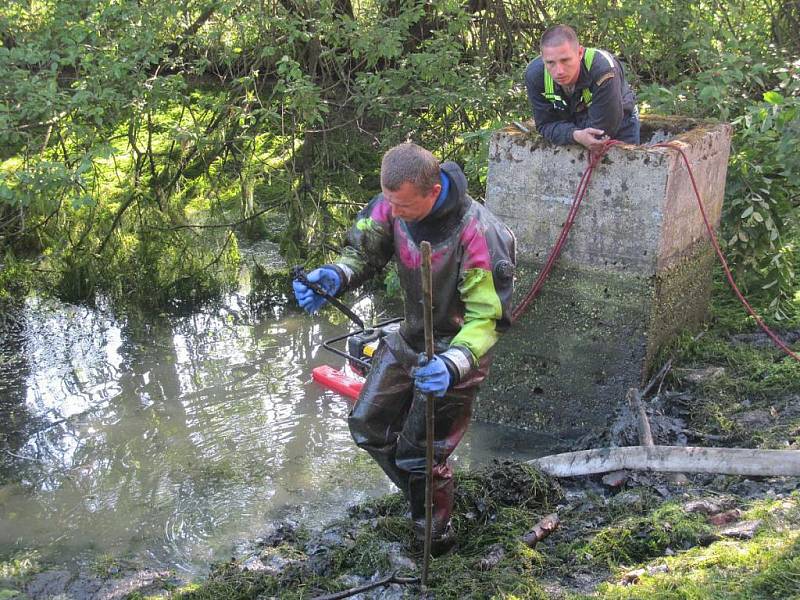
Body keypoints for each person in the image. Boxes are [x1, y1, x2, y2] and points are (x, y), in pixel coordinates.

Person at [293, 142, 515, 555]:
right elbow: (363, 249)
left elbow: (488, 317)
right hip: (409, 338)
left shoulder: (480, 233)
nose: (394, 213)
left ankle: (435, 541)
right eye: (390, 203)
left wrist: (454, 362)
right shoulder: (394, 201)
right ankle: (425, 494)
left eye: (404, 207)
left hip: (457, 352)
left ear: (432, 193)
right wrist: (334, 276)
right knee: (367, 425)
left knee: (420, 454)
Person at [524, 24, 640, 149]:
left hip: (619, 120)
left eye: (565, 60)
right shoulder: (534, 76)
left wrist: (572, 133)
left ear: (580, 53)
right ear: (542, 59)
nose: (559, 71)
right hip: (572, 123)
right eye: (550, 62)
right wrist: (574, 134)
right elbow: (544, 125)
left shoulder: (604, 70)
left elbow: (602, 130)